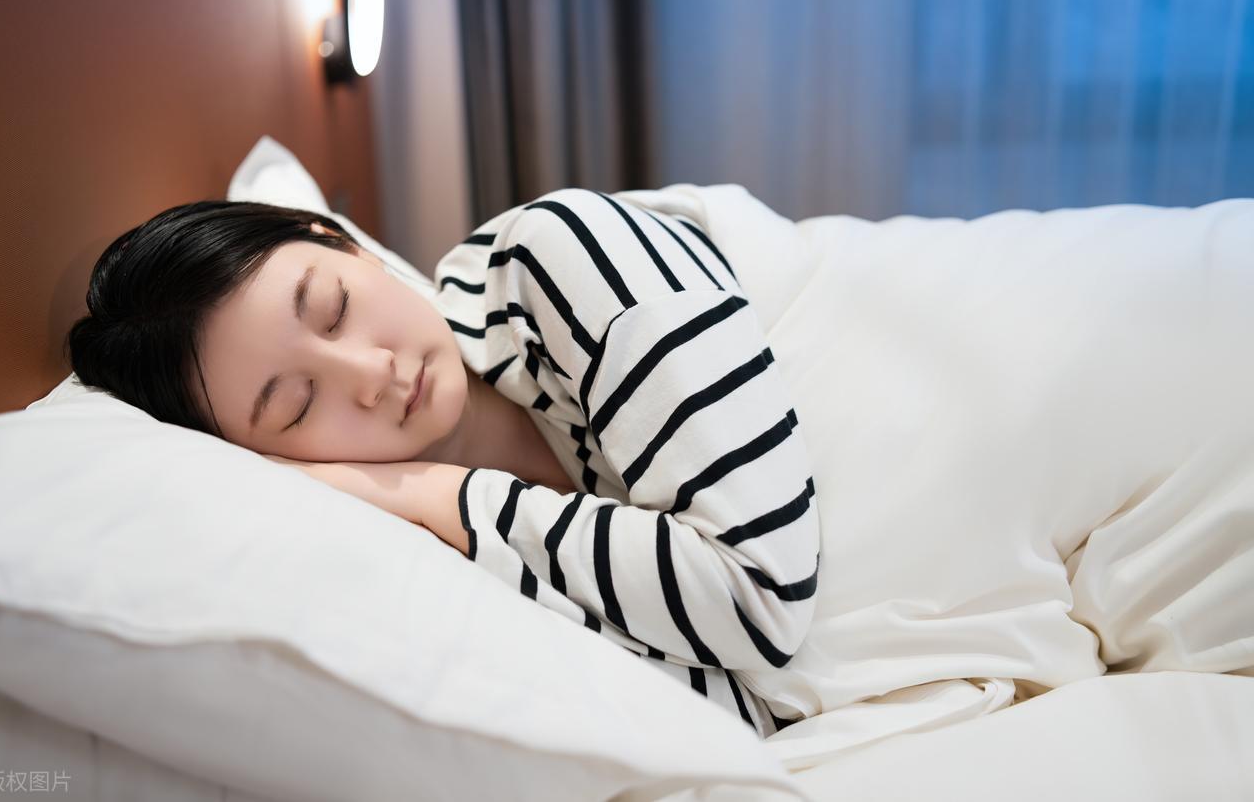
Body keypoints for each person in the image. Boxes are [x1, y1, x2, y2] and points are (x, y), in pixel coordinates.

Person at [66, 188, 822, 737]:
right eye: (297, 405)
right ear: (267, 458)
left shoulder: (562, 255)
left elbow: (761, 601)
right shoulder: (412, 560)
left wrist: (436, 493)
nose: (371, 372)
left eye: (334, 308)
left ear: (345, 243)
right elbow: (745, 714)